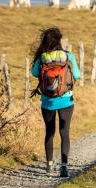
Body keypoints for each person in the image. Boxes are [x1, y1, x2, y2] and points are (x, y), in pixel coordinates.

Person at [30, 27, 80, 178]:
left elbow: (33, 73)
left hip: (47, 102)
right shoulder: (67, 56)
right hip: (66, 100)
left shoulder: (43, 57)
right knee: (64, 133)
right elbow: (76, 75)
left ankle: (50, 164)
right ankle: (64, 167)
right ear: (59, 40)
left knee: (49, 132)